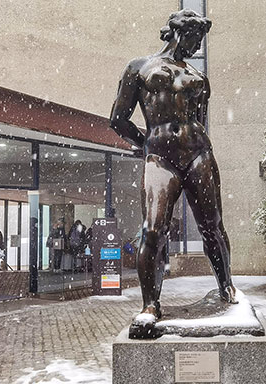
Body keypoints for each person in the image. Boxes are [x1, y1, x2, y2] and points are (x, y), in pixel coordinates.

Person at [110, 9, 237, 328]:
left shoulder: (199, 79)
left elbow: (202, 122)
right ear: (181, 32)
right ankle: (150, 305)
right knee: (153, 229)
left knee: (213, 226)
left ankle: (226, 286)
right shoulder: (139, 67)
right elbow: (118, 119)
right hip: (160, 157)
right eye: (196, 38)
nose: (197, 46)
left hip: (198, 154)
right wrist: (145, 142)